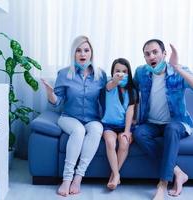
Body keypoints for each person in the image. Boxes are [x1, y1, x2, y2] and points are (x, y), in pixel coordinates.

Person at [132, 39, 193, 200]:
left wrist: (177, 67)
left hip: (178, 123)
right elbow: (130, 92)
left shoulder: (177, 72)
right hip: (151, 123)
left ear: (164, 54)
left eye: (155, 52)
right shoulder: (141, 72)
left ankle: (163, 184)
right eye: (147, 54)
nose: (151, 56)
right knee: (139, 133)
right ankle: (177, 172)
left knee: (171, 129)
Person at [42, 35, 107, 197]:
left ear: (91, 53)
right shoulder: (64, 74)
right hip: (69, 117)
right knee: (78, 131)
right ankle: (67, 179)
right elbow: (57, 102)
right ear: (73, 53)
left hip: (92, 119)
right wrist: (50, 94)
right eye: (78, 50)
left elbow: (105, 102)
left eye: (86, 50)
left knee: (97, 129)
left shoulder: (100, 75)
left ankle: (78, 177)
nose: (82, 54)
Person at [101, 58, 137, 190]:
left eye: (124, 71)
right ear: (112, 73)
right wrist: (115, 80)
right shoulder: (109, 86)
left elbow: (130, 111)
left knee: (124, 142)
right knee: (110, 142)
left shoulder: (132, 90)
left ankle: (113, 176)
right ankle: (116, 175)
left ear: (129, 73)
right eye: (117, 71)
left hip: (124, 126)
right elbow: (111, 84)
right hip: (108, 125)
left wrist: (127, 131)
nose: (121, 74)